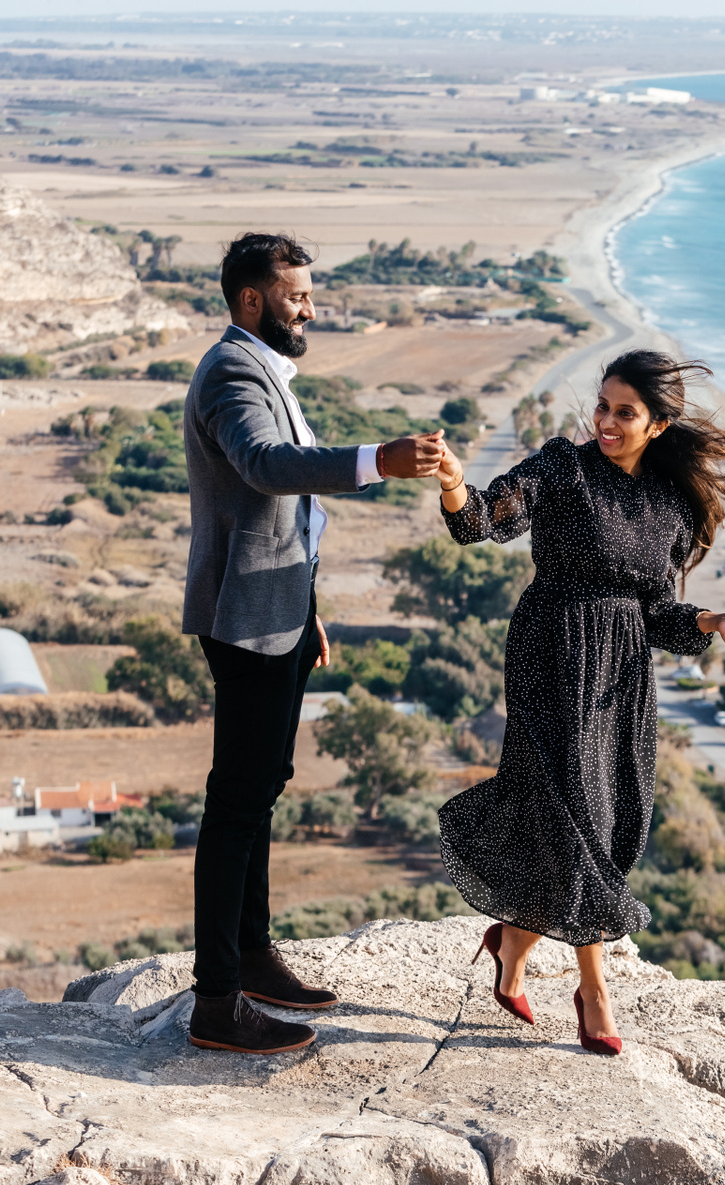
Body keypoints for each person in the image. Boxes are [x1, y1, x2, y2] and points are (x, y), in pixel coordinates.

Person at [432, 350, 725, 1056]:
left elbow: (658, 615)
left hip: (621, 674)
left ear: (658, 425)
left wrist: (715, 621)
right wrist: (456, 484)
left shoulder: (670, 506)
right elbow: (483, 520)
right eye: (603, 407)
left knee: (610, 822)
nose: (606, 422)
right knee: (576, 812)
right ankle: (594, 992)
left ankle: (510, 948)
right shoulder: (563, 467)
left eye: (625, 413)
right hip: (549, 655)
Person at [181, 232, 446, 1055]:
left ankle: (253, 957)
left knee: (261, 790)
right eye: (296, 296)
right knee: (236, 804)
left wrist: (306, 608)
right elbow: (267, 467)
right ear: (251, 299)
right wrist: (378, 460)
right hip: (247, 622)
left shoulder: (263, 369)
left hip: (281, 612)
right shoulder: (231, 373)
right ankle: (216, 1002)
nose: (310, 310)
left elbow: (281, 513)